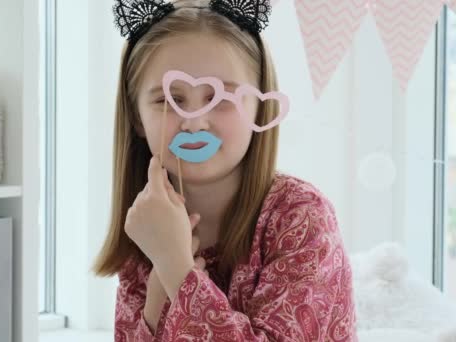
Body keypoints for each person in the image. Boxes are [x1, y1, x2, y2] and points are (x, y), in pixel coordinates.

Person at [93, 0, 357, 340]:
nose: (194, 122)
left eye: (219, 99)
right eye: (167, 100)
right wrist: (158, 295)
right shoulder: (148, 223)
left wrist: (178, 270)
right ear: (136, 117)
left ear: (259, 107)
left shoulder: (302, 217)